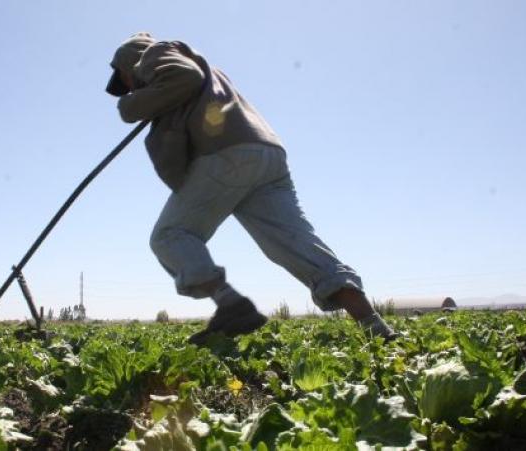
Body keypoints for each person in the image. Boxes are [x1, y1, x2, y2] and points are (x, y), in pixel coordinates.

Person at [105, 32, 397, 344]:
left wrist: (131, 105)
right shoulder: (206, 69)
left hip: (228, 153)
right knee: (294, 244)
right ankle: (375, 326)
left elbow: (184, 78)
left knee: (169, 235)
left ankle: (231, 305)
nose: (130, 86)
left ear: (129, 63)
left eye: (126, 80)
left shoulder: (154, 54)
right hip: (266, 154)